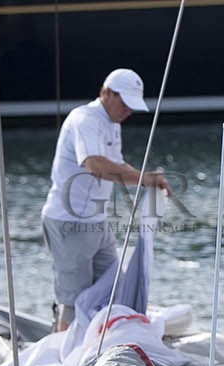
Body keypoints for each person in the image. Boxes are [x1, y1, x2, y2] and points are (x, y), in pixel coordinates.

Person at [40, 68, 171, 331]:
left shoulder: (111, 123)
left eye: (132, 107)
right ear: (106, 93)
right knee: (73, 299)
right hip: (70, 222)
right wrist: (145, 179)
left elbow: (116, 164)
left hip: (97, 221)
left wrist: (147, 179)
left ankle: (98, 341)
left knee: (113, 288)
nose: (128, 112)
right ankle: (62, 354)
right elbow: (96, 165)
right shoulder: (85, 119)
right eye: (125, 104)